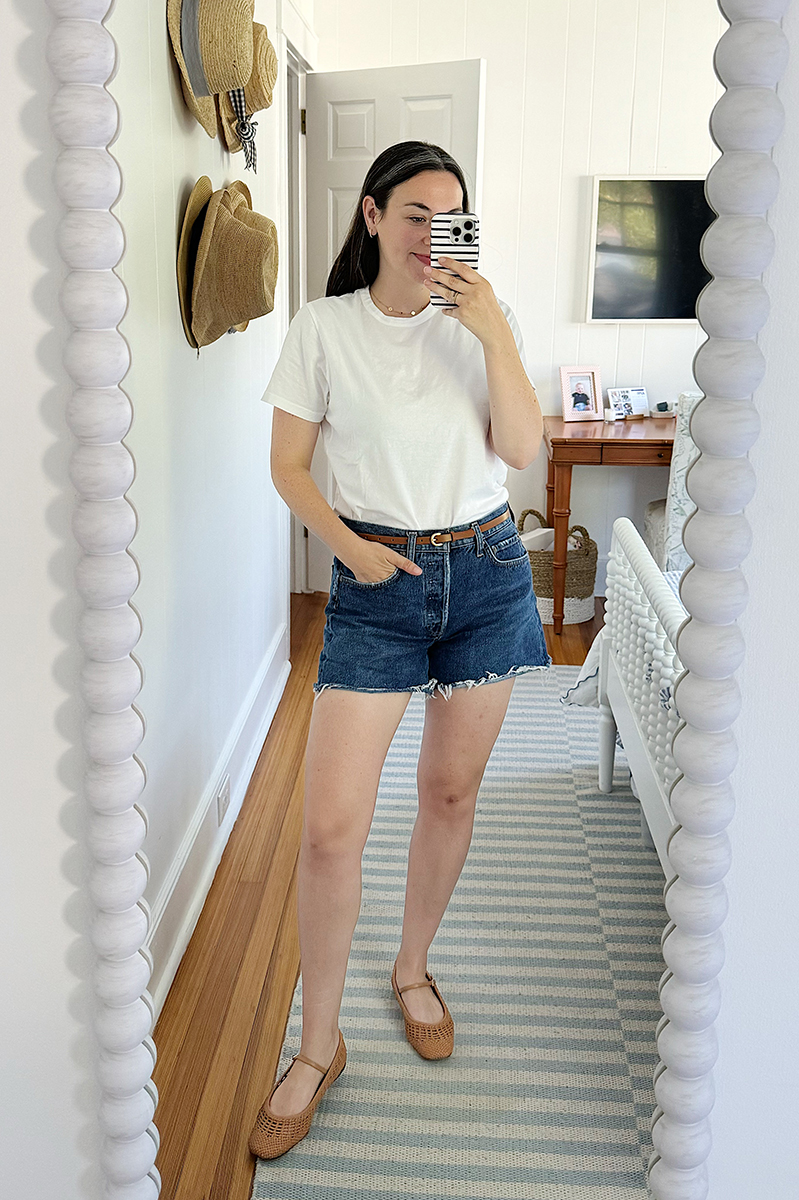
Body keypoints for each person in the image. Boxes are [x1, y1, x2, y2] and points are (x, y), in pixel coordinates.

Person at [248, 140, 550, 1160]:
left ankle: (412, 969)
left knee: (449, 796)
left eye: (452, 216)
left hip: (488, 574)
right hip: (374, 587)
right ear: (371, 216)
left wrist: (496, 332)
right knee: (331, 831)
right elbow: (289, 466)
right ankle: (317, 1043)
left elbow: (519, 449)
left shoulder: (479, 326)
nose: (434, 236)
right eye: (415, 213)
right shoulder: (323, 327)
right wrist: (349, 551)